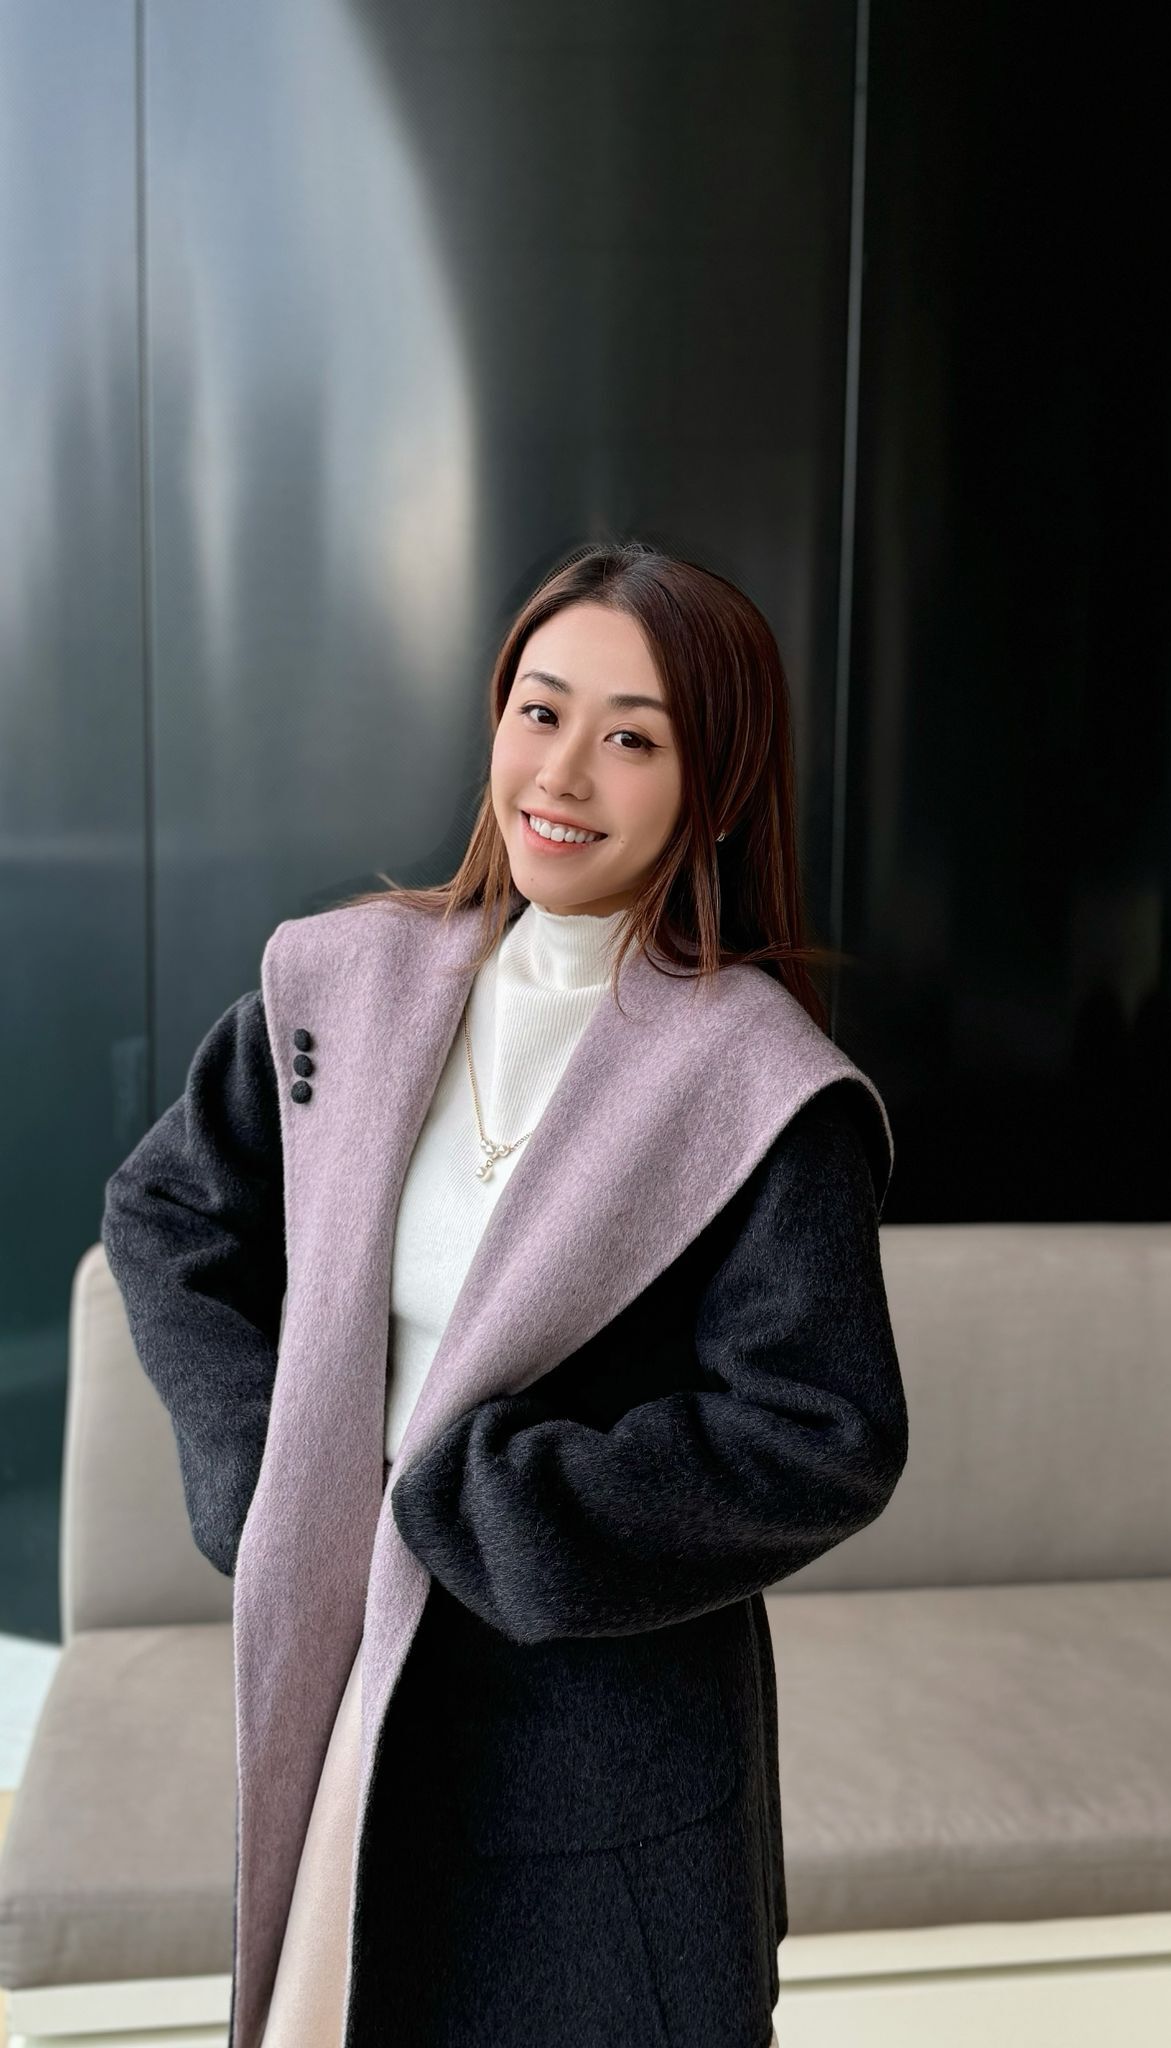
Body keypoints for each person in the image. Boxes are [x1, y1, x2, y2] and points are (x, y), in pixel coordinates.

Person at [101, 539, 908, 2048]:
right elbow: (169, 1213)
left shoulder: (760, 1086)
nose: (565, 774)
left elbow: (820, 1432)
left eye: (633, 739)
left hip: (596, 1752)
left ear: (715, 786)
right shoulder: (341, 986)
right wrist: (261, 1461)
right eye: (541, 712)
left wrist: (496, 1508)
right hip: (348, 1680)